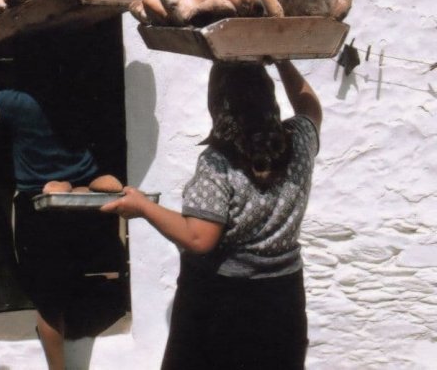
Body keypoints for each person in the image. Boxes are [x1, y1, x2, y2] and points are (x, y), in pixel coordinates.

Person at [102, 59, 321, 370]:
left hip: (225, 305)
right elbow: (310, 106)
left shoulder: (219, 161)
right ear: (269, 96)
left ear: (218, 103)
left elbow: (199, 238)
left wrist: (143, 207)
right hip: (283, 300)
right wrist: (283, 60)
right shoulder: (299, 141)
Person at [0, 29, 124, 370]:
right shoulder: (82, 97)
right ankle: (77, 183)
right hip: (85, 210)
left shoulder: (21, 103)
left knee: (49, 304)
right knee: (75, 284)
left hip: (40, 211)